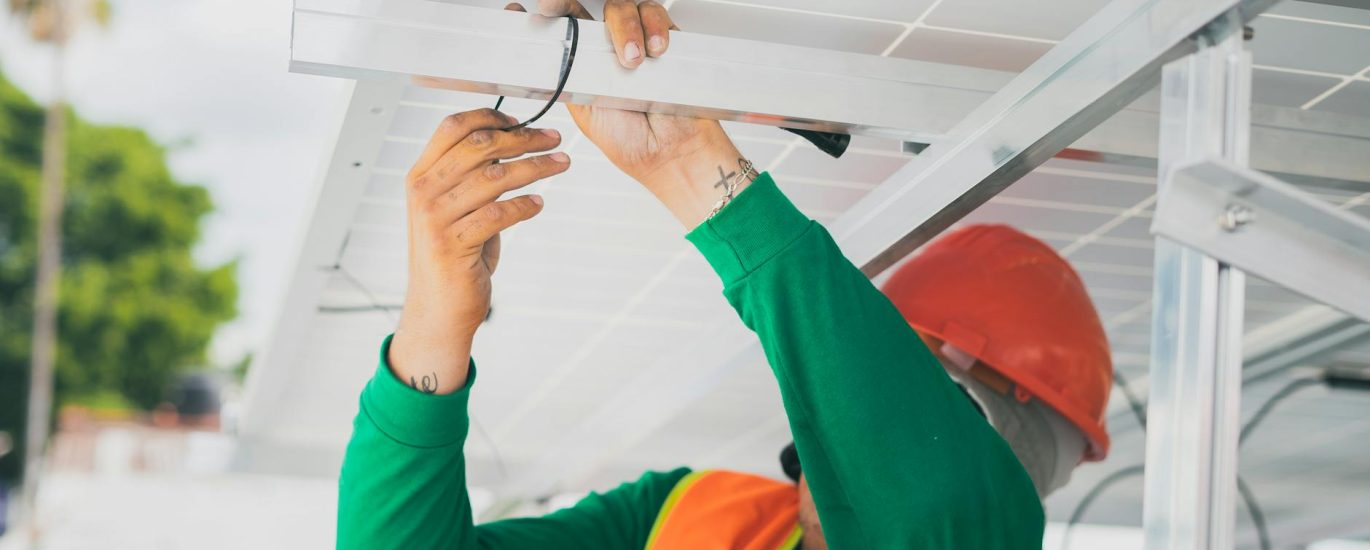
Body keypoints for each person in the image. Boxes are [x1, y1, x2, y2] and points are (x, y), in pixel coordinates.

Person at [336, 1, 1113, 548]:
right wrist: (436, 324)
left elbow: (931, 508)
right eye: (886, 368)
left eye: (924, 395)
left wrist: (697, 172)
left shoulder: (979, 527)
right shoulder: (679, 519)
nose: (875, 421)